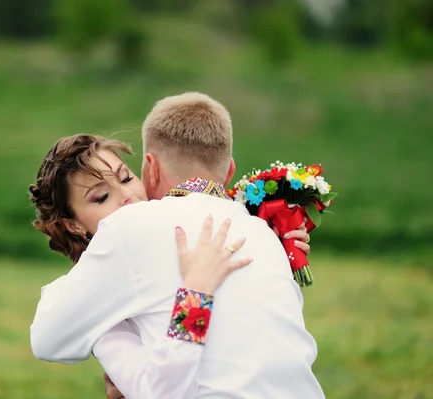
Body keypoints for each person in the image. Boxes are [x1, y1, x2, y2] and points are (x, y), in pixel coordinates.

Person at [29, 93, 323, 398]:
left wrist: (110, 332)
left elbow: (47, 338)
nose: (127, 196)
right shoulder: (261, 233)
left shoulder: (131, 227)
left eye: (126, 178)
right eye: (101, 197)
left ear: (149, 169)